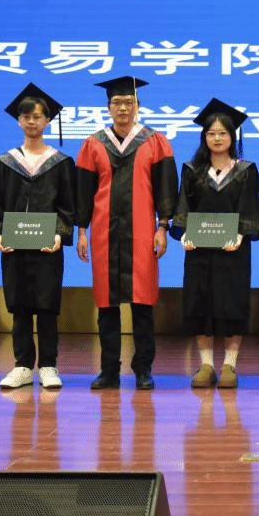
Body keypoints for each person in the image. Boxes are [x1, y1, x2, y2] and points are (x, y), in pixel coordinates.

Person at [75, 75, 178, 390]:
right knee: (107, 306)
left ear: (138, 106)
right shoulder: (93, 144)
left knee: (142, 304)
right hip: (104, 233)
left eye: (129, 103)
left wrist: (163, 226)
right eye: (117, 102)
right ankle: (109, 371)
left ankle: (143, 369)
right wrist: (81, 231)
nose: (123, 108)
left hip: (143, 232)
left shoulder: (155, 141)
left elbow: (165, 188)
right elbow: (83, 191)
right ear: (108, 107)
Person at [0, 82, 76, 390]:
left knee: (47, 307)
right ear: (19, 121)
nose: (32, 121)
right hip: (15, 246)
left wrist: (60, 233)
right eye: (26, 116)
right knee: (20, 307)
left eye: (38, 116)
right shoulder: (4, 162)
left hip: (48, 247)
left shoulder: (61, 163)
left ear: (47, 121)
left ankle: (48, 366)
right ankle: (21, 366)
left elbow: (68, 205)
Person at [172, 98, 259, 389]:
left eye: (223, 133)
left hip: (233, 251)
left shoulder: (246, 170)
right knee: (201, 303)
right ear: (204, 137)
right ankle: (207, 364)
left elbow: (250, 208)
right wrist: (184, 233)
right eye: (211, 133)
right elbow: (183, 206)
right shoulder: (192, 170)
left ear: (232, 136)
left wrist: (241, 234)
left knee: (232, 304)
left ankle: (229, 365)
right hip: (199, 251)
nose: (217, 138)